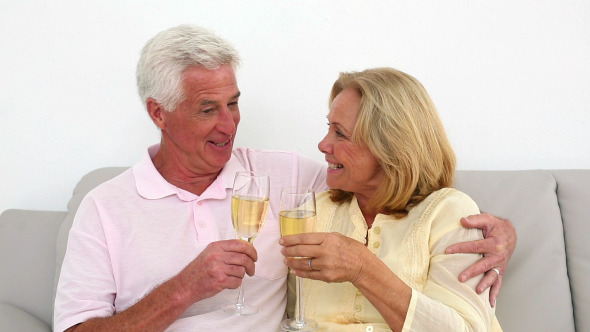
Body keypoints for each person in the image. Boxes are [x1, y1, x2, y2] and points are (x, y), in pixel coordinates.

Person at [54, 25, 513, 332]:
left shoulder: (286, 179)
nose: (229, 125)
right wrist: (184, 289)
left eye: (233, 103)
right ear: (159, 112)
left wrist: (501, 230)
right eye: (208, 110)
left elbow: (389, 177)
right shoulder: (104, 207)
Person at [280, 67, 504, 331]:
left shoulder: (447, 212)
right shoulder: (314, 211)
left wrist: (363, 268)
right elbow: (290, 319)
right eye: (328, 128)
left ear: (389, 145)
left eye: (340, 133)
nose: (323, 144)